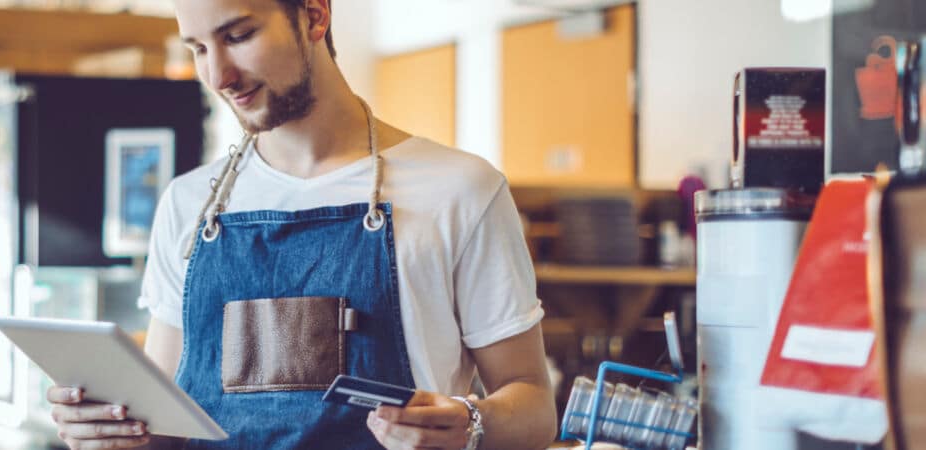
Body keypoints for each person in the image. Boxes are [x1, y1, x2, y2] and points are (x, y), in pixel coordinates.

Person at [47, 0, 557, 448]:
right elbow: (163, 429)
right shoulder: (188, 204)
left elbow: (535, 410)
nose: (219, 76)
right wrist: (109, 430)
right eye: (199, 49)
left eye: (238, 36)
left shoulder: (460, 190)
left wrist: (472, 423)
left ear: (314, 14)